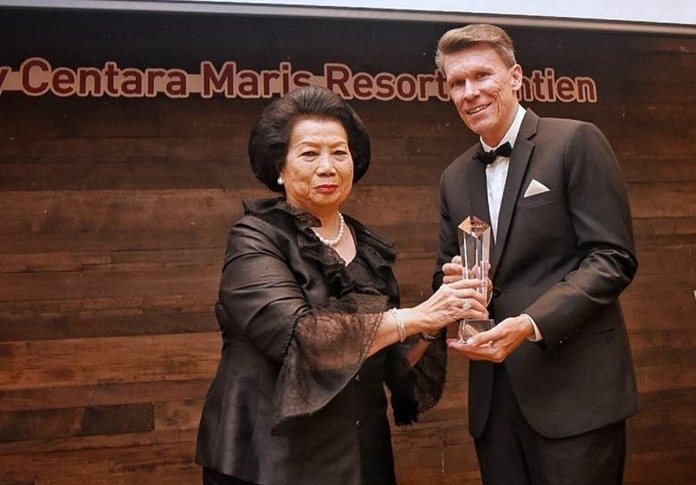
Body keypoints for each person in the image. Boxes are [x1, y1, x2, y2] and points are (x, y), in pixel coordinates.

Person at [196, 85, 487, 485]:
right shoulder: (255, 237)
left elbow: (393, 360)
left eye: (339, 152)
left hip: (362, 457)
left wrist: (436, 318)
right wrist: (416, 316)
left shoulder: (369, 249)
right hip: (271, 460)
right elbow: (303, 337)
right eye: (310, 153)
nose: (328, 166)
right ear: (279, 167)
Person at [432, 24, 638, 484]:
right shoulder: (453, 177)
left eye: (482, 75)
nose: (470, 92)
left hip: (575, 397)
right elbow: (445, 272)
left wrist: (529, 325)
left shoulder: (574, 141)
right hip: (494, 405)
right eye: (457, 83)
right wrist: (453, 287)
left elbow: (612, 257)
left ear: (516, 76)